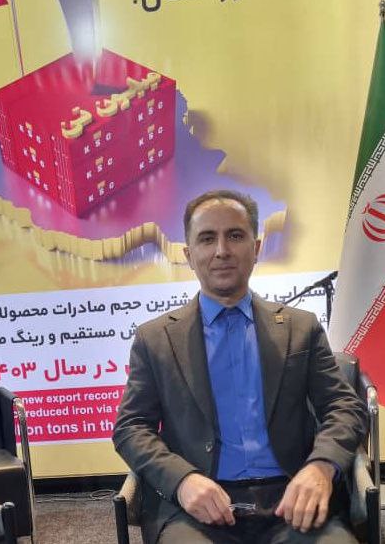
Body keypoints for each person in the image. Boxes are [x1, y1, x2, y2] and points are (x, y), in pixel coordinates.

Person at [113, 190, 367, 543]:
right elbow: (131, 427)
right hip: (197, 508)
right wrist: (182, 480)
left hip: (293, 498)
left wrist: (322, 466)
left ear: (256, 247)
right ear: (188, 255)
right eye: (207, 238)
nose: (222, 250)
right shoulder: (155, 339)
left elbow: (344, 407)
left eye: (235, 235)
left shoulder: (301, 328)